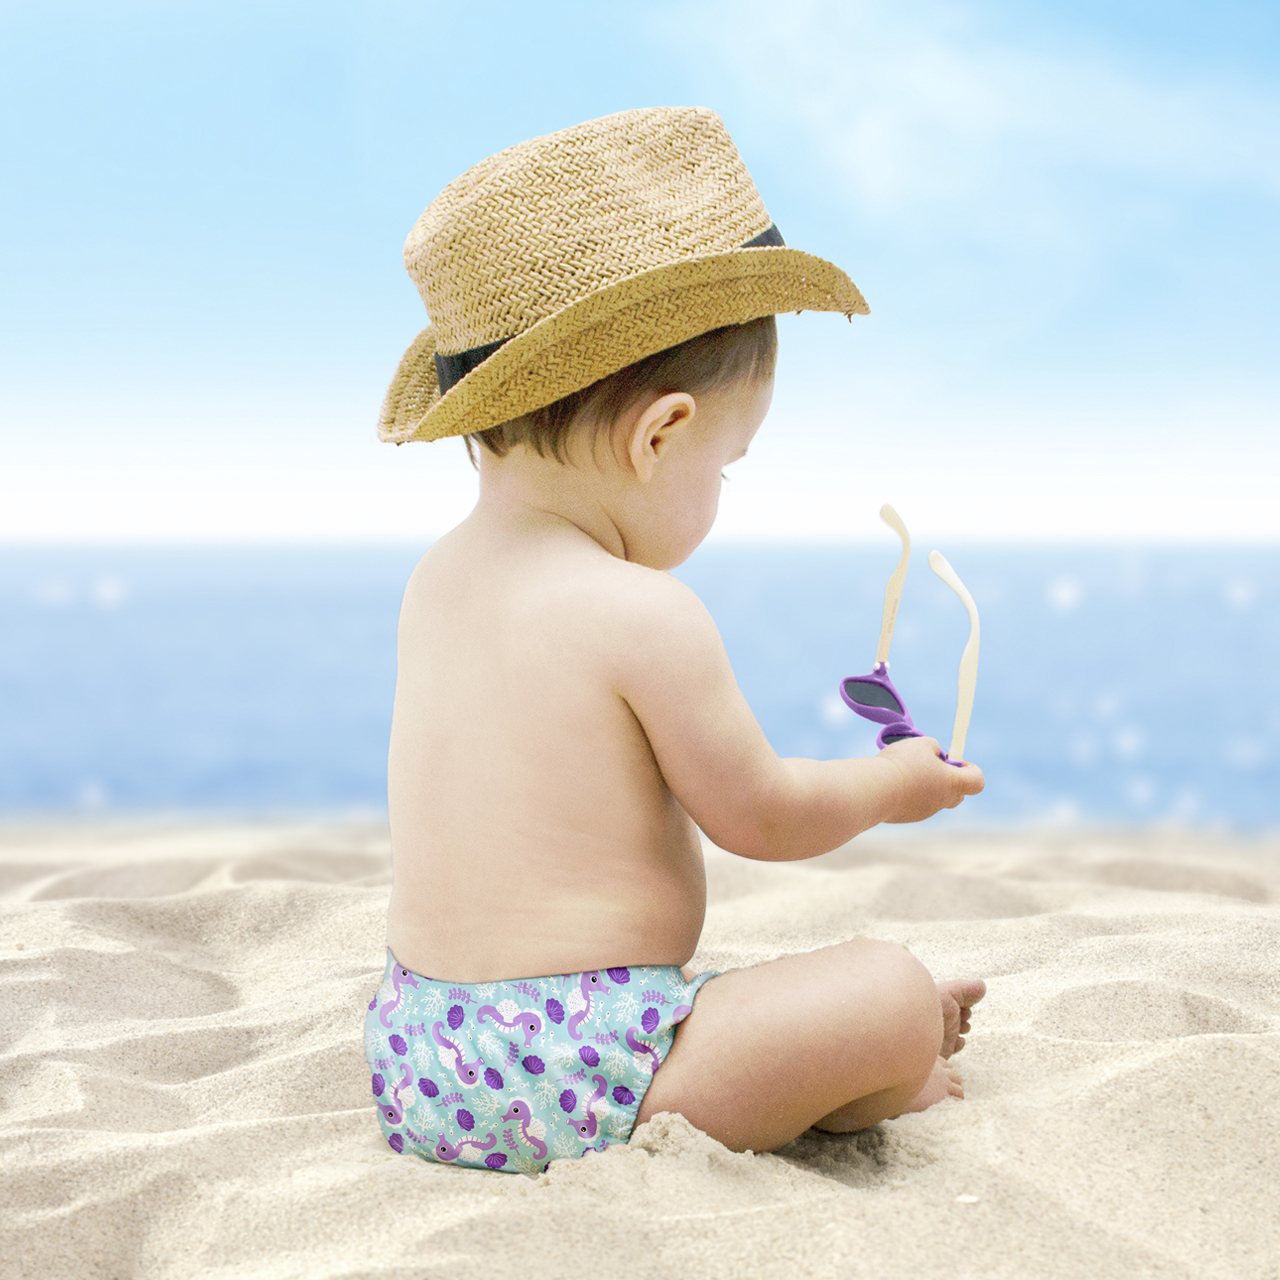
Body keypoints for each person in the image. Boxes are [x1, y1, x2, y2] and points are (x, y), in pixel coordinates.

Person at [364, 107, 985, 1174]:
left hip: (418, 1052)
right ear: (660, 435)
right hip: (586, 1064)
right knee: (884, 989)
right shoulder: (639, 611)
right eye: (726, 465)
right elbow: (761, 814)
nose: (722, 491)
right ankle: (868, 1065)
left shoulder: (438, 577)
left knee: (814, 1007)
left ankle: (832, 1054)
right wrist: (891, 783)